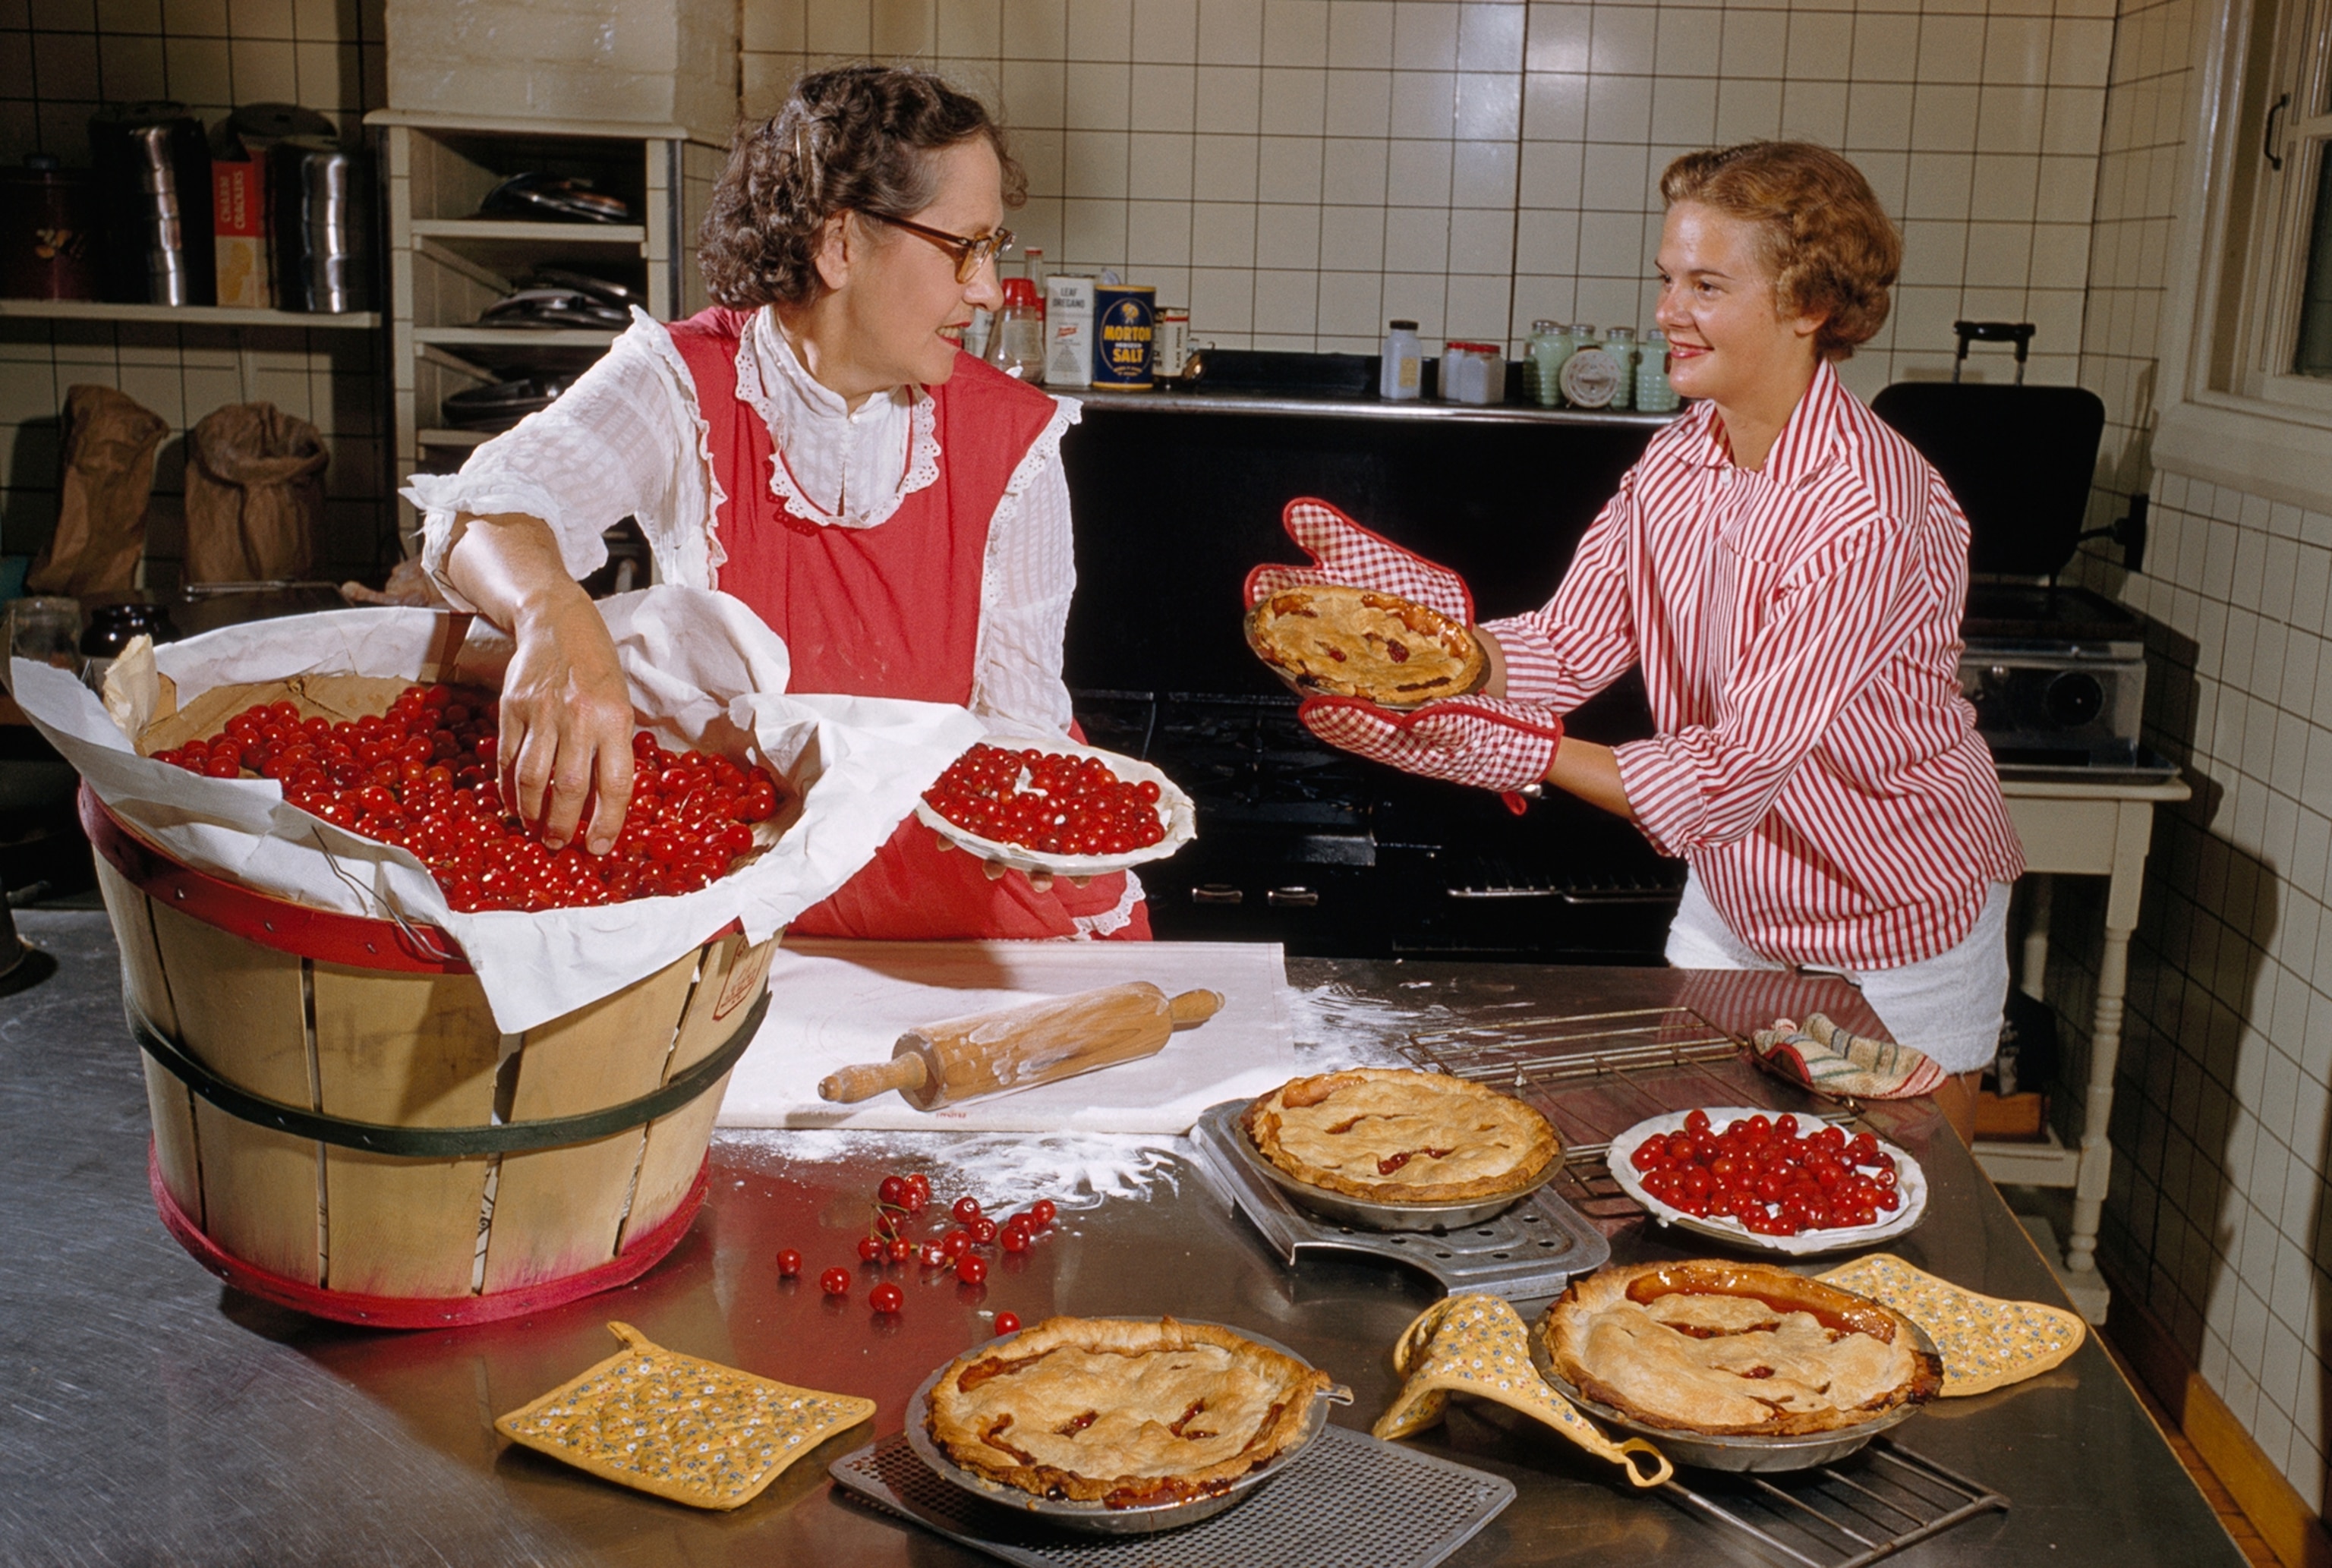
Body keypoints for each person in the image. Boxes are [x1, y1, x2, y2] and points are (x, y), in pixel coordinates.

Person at [1257, 142, 2022, 1143]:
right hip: (1738, 906)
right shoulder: (1677, 457)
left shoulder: (1865, 508)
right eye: (1669, 279)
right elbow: (1570, 645)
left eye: (1706, 285)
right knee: (1710, 1188)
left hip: (1893, 926)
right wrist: (1440, 650)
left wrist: (1525, 749)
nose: (1667, 311)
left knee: (1889, 1218)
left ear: (1810, 306)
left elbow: (1731, 774)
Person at [408, 65, 1147, 941]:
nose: (986, 290)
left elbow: (1018, 728)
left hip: (963, 874)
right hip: (758, 871)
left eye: (993, 249)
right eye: (966, 247)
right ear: (841, 243)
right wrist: (550, 614)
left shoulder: (1011, 439)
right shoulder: (685, 383)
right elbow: (490, 505)